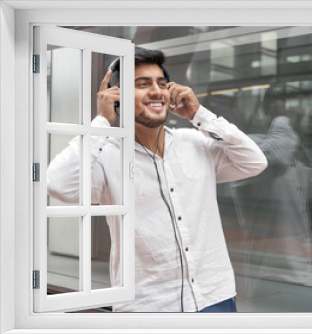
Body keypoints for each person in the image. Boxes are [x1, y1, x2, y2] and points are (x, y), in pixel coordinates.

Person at [47, 47, 267, 312]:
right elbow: (58, 184)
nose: (156, 91)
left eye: (162, 84)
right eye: (142, 84)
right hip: (149, 306)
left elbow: (255, 162)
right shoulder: (106, 156)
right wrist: (102, 122)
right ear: (117, 97)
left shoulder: (196, 142)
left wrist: (200, 115)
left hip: (214, 297)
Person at [230, 84, 312, 311]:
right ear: (273, 111)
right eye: (295, 109)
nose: (303, 114)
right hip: (271, 280)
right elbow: (276, 157)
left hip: (305, 278)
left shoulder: (296, 165)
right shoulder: (251, 150)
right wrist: (282, 119)